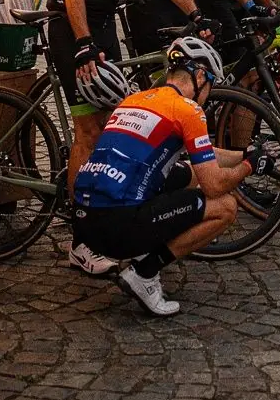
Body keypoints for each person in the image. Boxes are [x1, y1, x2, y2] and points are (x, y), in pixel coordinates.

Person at [47, 0, 206, 249]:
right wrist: (84, 44)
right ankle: (81, 241)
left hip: (102, 25)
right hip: (71, 24)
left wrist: (196, 14)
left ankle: (99, 208)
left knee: (112, 122)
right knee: (89, 129)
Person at [72, 37, 266, 316]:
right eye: (210, 85)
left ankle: (140, 250)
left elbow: (204, 153)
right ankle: (144, 273)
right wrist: (248, 167)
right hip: (115, 228)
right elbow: (213, 186)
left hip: (84, 224)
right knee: (225, 207)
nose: (208, 95)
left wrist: (245, 153)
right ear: (200, 76)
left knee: (185, 174)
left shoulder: (134, 99)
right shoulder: (188, 110)